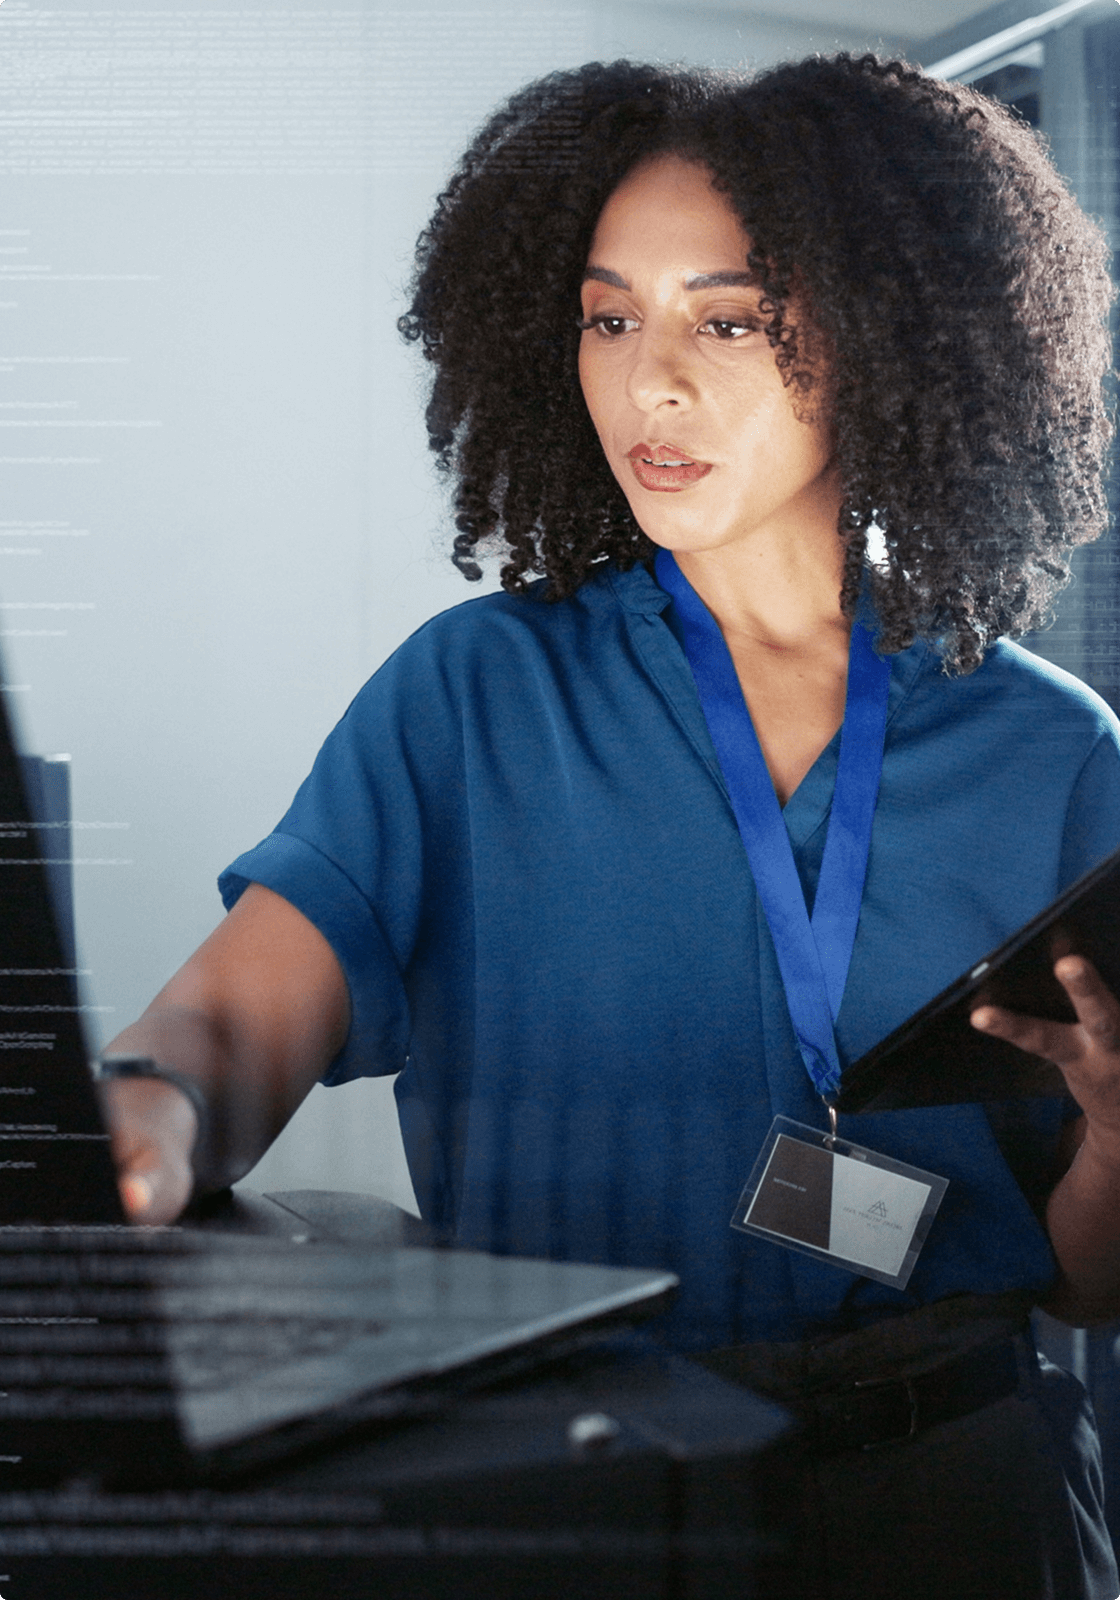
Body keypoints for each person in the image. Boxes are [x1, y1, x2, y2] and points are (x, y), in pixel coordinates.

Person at [96, 55, 1120, 1599]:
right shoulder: (476, 695)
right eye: (609, 317)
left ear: (893, 334)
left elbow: (1087, 1284)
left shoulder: (1052, 748)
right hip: (587, 1495)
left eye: (728, 320)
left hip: (958, 1492)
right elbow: (228, 1031)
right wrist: (141, 1131)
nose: (651, 384)